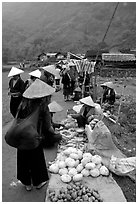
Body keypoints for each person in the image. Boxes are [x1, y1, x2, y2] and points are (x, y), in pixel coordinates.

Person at [16, 79, 59, 191]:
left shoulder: (22, 104)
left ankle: (27, 184)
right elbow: (48, 127)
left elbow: (16, 119)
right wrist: (57, 134)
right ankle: (38, 183)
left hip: (21, 137)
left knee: (23, 159)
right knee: (36, 159)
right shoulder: (42, 107)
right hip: (34, 138)